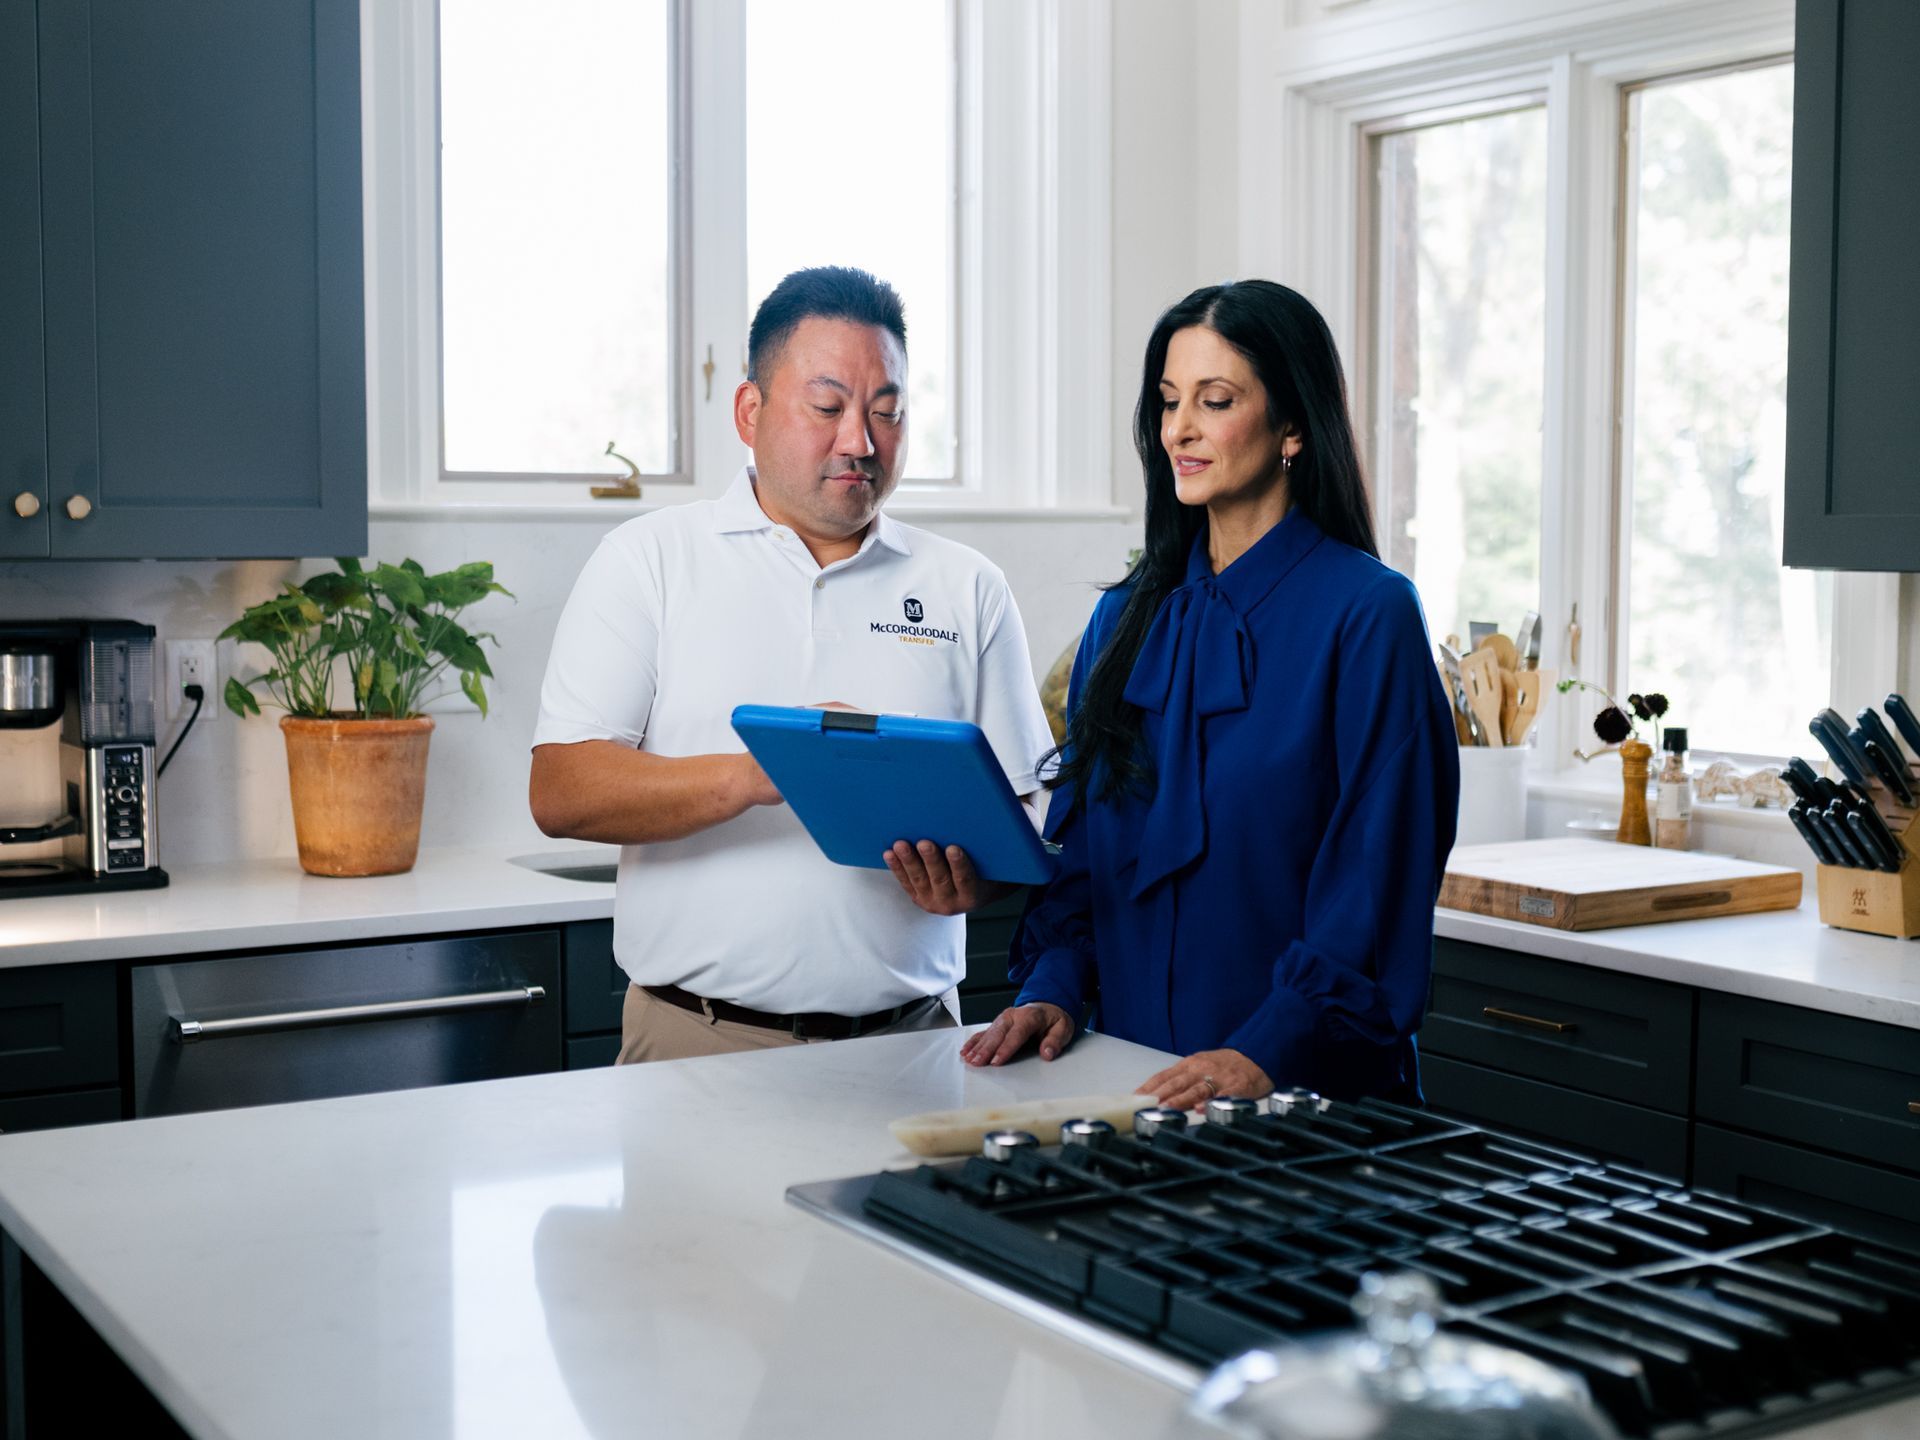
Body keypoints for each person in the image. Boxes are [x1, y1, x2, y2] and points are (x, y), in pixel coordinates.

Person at [939, 280, 1458, 1108]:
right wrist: (1054, 987)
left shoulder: (1368, 614)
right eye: (1168, 400)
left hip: (1304, 1100)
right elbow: (1085, 868)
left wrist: (1265, 1049)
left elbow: (1377, 875)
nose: (1179, 427)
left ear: (1292, 425)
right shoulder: (1122, 619)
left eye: (1214, 401)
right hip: (1136, 1091)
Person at [529, 266, 1054, 1064]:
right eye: (827, 407)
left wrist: (975, 882)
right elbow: (562, 790)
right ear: (750, 411)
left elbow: (1029, 821)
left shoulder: (967, 587)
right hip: (691, 1044)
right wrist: (763, 772)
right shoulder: (648, 561)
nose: (861, 441)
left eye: (888, 412)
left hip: (913, 1047)